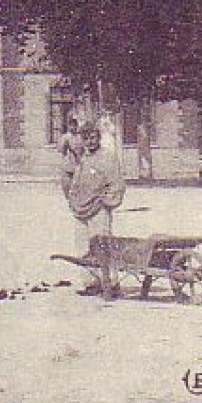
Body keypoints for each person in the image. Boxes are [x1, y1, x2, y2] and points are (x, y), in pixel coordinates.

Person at [61, 119, 126, 295]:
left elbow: (117, 183)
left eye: (93, 137)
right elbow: (69, 177)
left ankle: (111, 283)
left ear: (99, 137)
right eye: (86, 138)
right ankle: (91, 283)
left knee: (103, 245)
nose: (90, 141)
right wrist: (72, 198)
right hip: (80, 208)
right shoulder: (81, 157)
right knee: (83, 246)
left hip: (99, 208)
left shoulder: (108, 157)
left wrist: (107, 201)